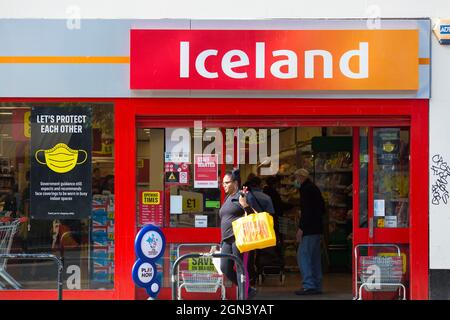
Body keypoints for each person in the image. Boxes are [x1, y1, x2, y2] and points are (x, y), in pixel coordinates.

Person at [218, 169, 254, 298]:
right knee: (225, 267)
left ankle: (243, 297)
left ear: (235, 182)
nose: (224, 185)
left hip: (238, 238)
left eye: (227, 183)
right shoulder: (228, 197)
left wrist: (245, 205)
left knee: (240, 268)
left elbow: (253, 216)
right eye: (223, 183)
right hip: (226, 240)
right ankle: (247, 288)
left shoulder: (241, 195)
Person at [294, 168, 325, 295]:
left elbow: (307, 211)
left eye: (296, 178)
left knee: (303, 256)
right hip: (317, 228)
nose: (296, 181)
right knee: (314, 258)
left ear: (301, 177)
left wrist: (301, 228)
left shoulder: (305, 190)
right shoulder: (314, 188)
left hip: (309, 229)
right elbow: (322, 208)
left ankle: (309, 285)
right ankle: (317, 284)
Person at [242, 175, 275, 288]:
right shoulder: (266, 197)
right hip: (263, 227)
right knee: (262, 252)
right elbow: (271, 213)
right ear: (259, 185)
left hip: (249, 228)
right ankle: (260, 272)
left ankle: (250, 276)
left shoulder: (245, 196)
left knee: (250, 253)